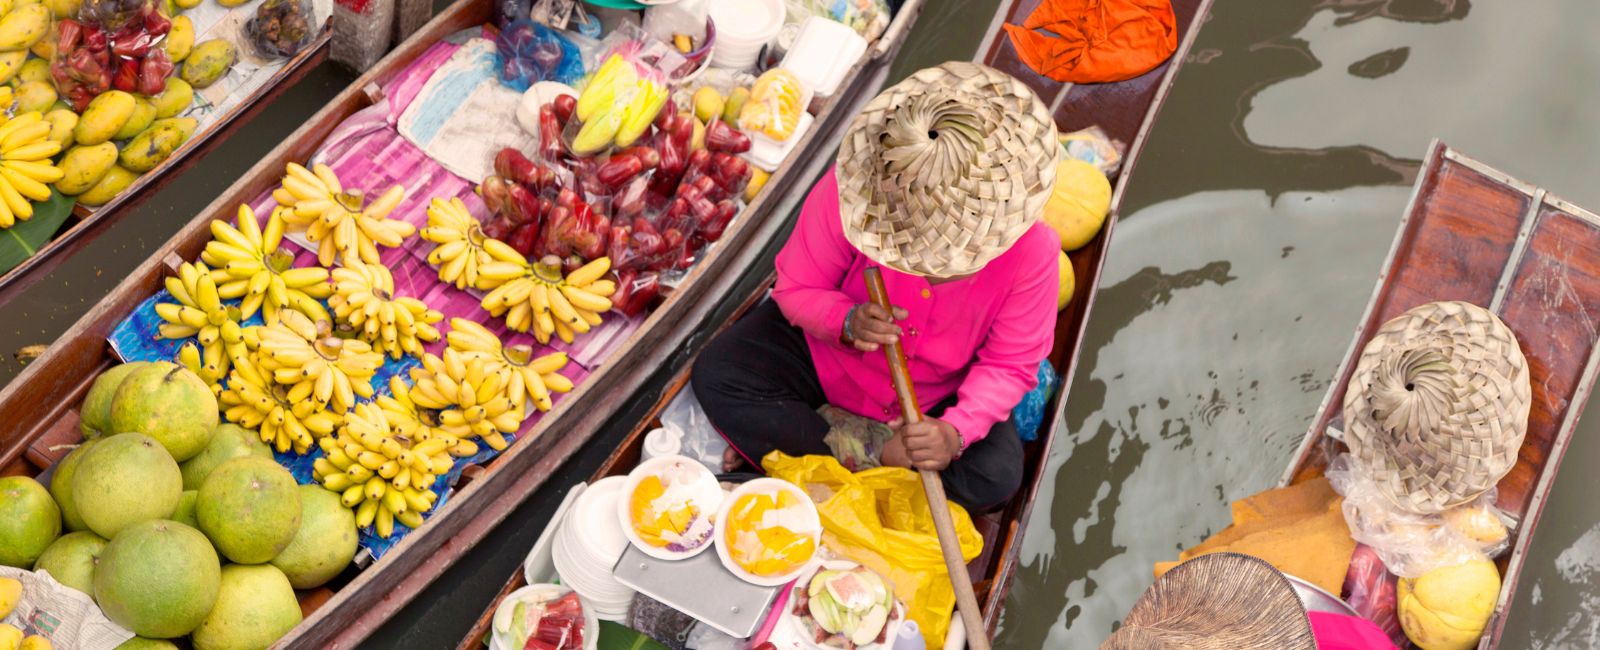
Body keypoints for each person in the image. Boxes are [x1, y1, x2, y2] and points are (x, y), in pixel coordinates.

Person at [691, 62, 1061, 512]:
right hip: (830, 364)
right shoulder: (854, 192)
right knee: (719, 374)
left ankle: (819, 451)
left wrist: (954, 432)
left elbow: (1010, 364)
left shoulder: (1035, 251)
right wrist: (844, 321)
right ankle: (875, 456)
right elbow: (796, 288)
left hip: (935, 399)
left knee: (994, 479)